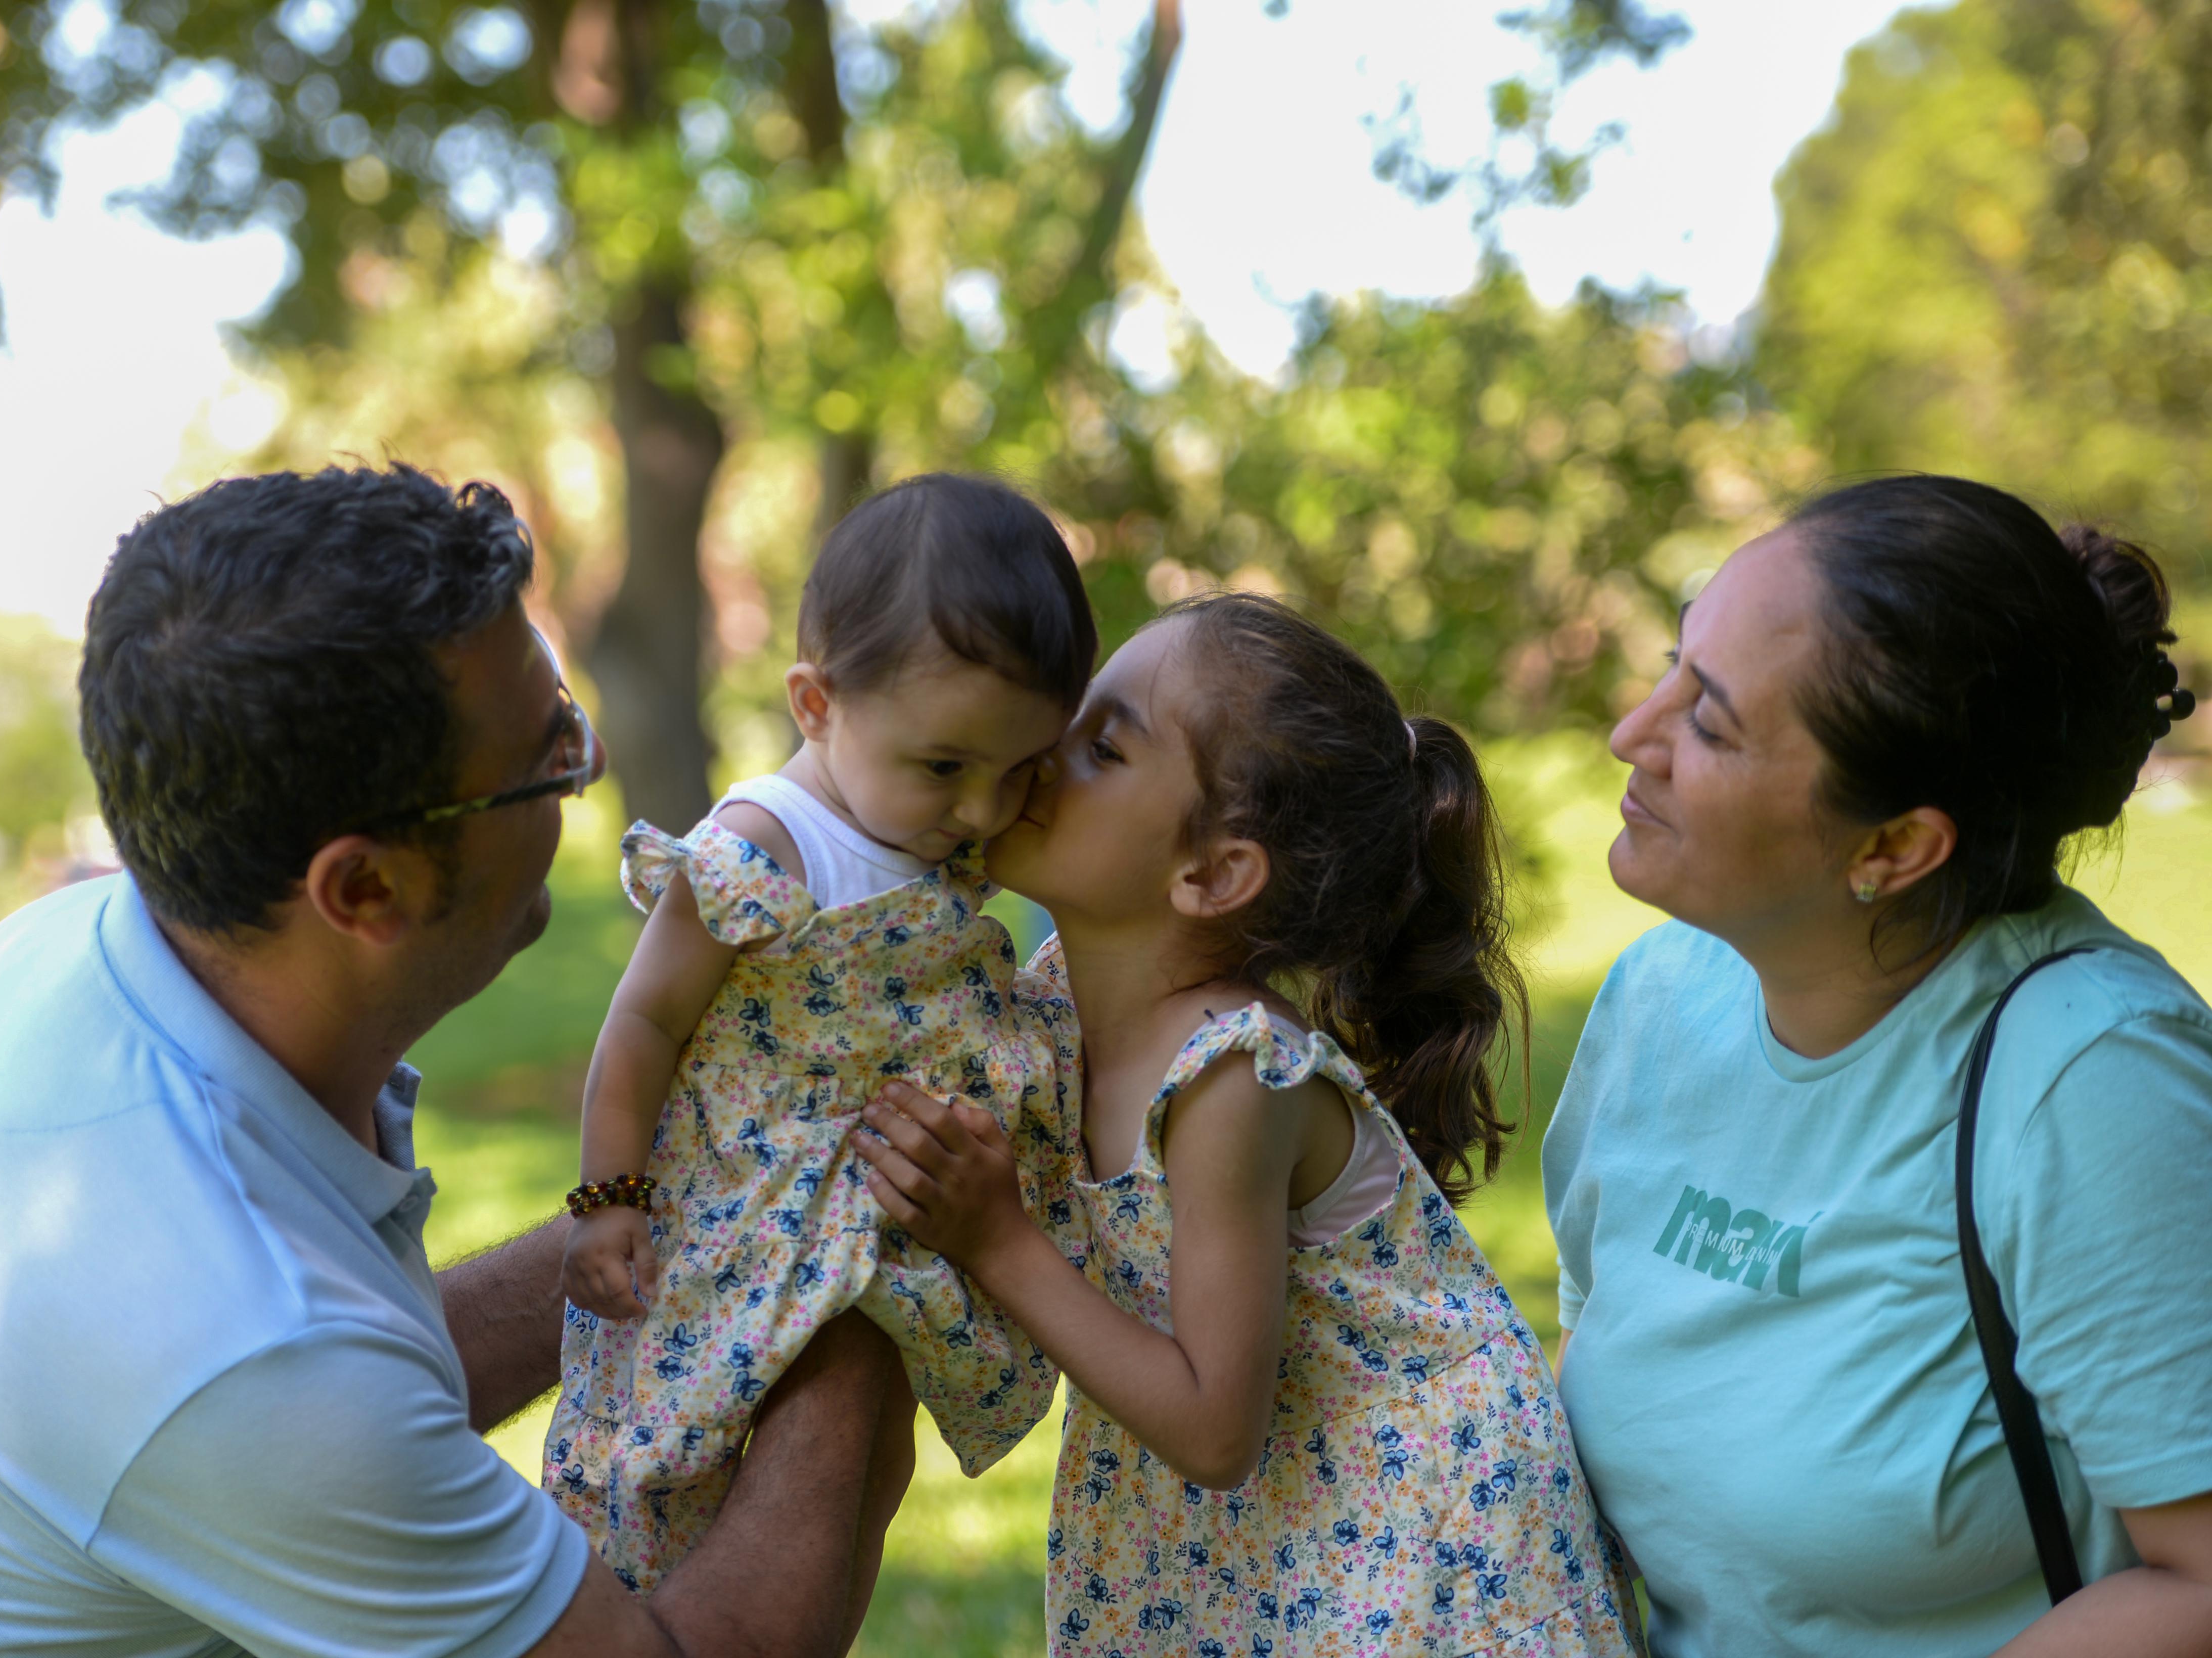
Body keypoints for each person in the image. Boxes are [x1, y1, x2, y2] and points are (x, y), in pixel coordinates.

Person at [0, 466, 919, 1658]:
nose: (585, 778)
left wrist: (725, 1211)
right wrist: (858, 1295)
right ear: (364, 887)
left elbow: (358, 1363)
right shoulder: (233, 1339)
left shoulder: (71, 965)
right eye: (549, 758)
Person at [854, 593, 1643, 1656]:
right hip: (1279, 1532)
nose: (1044, 752)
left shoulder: (1233, 1075)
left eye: (1103, 745)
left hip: (1418, 1544)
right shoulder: (1053, 1003)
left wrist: (996, 1239)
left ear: (1213, 873)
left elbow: (1215, 1428)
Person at [1542, 475, 2212, 1655]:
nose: (1630, 734)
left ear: (1894, 844)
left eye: (1708, 721)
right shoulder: (1657, 997)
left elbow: (2201, 1578)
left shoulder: (2091, 1083)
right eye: (1673, 664)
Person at [546, 473, 1092, 1589]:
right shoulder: (764, 844)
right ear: (815, 703)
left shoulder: (943, 828)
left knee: (852, 1473)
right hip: (734, 1221)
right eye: (946, 766)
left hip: (873, 1236)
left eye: (1019, 769)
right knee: (662, 1466)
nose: (984, 812)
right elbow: (643, 1024)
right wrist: (610, 1198)